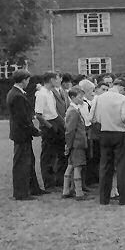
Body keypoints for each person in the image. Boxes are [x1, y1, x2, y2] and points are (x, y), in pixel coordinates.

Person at [90, 79, 125, 205]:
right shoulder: (122, 99)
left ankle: (104, 198)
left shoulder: (99, 98)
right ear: (121, 88)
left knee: (105, 165)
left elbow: (92, 117)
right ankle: (124, 198)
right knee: (122, 166)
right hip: (119, 132)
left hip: (104, 132)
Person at [7, 70, 46, 200]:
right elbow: (23, 119)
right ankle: (21, 193)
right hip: (21, 134)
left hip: (21, 134)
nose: (28, 82)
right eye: (27, 80)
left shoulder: (16, 93)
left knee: (28, 161)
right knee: (22, 163)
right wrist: (35, 131)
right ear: (23, 80)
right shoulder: (17, 95)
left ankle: (33, 188)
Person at [35, 71, 67, 191]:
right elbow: (38, 114)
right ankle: (48, 183)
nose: (59, 81)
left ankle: (59, 180)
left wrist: (62, 124)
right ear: (51, 80)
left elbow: (54, 112)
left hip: (56, 122)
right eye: (58, 79)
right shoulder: (41, 94)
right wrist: (50, 127)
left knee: (59, 153)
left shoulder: (50, 93)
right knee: (48, 155)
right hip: (49, 126)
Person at [62, 87, 92, 201]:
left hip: (75, 143)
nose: (82, 99)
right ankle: (79, 192)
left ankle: (66, 190)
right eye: (80, 97)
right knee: (77, 166)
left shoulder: (74, 110)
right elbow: (70, 131)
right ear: (73, 97)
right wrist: (68, 145)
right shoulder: (73, 111)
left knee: (71, 166)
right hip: (76, 143)